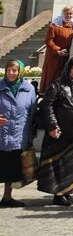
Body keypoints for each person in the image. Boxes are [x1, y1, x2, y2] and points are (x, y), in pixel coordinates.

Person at [37, 56, 73, 206]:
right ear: (68, 69)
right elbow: (47, 106)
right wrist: (53, 126)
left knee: (72, 165)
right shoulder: (57, 84)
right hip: (60, 132)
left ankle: (67, 192)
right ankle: (58, 194)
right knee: (59, 164)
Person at [0, 61, 36, 207]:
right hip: (1, 134)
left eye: (15, 70)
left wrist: (30, 134)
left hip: (18, 134)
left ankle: (7, 197)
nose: (11, 73)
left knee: (12, 168)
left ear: (20, 72)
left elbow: (32, 112)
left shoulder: (29, 89)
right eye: (9, 70)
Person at [41, 7, 73, 91]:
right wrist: (57, 50)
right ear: (63, 14)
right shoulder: (54, 26)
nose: (69, 15)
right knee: (52, 77)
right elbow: (49, 41)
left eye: (71, 13)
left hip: (67, 57)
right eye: (67, 13)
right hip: (54, 57)